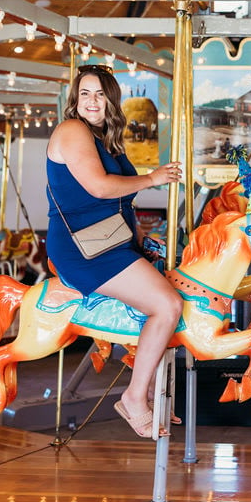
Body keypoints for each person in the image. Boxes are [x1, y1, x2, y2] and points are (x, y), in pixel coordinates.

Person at [46, 65, 183, 438]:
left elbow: (122, 203)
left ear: (111, 99)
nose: (92, 101)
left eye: (100, 94)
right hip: (83, 248)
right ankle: (133, 398)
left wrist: (139, 238)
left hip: (112, 240)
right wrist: (154, 178)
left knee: (166, 299)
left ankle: (152, 389)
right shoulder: (72, 131)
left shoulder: (105, 138)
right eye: (85, 93)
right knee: (167, 305)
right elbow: (100, 189)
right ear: (76, 99)